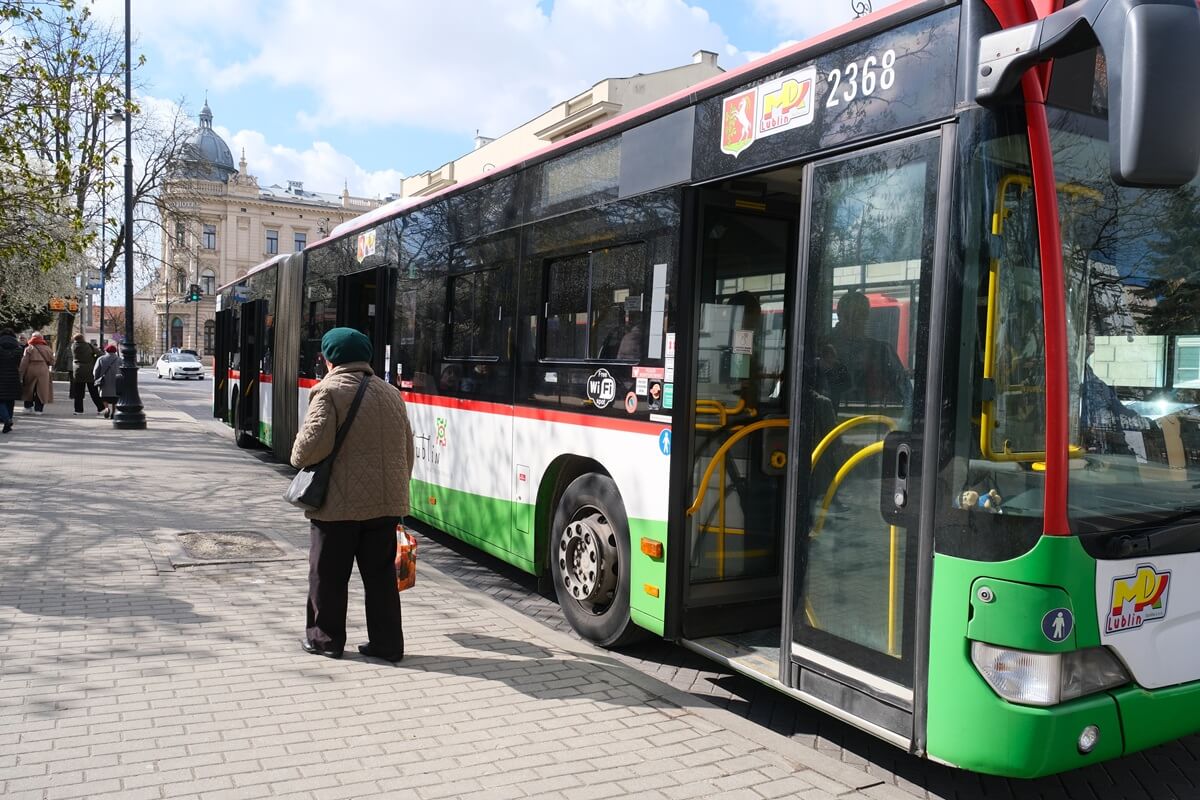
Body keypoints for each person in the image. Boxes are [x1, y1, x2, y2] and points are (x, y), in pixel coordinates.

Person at [291, 327, 414, 662]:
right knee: (380, 580)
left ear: (329, 358)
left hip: (337, 508)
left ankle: (325, 641)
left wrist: (297, 451)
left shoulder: (328, 391)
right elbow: (407, 451)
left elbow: (307, 451)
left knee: (328, 577)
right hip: (385, 507)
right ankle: (388, 646)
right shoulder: (391, 394)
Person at [824, 290, 910, 410]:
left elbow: (905, 395)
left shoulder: (883, 351)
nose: (855, 321)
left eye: (861, 315)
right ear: (840, 315)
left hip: (873, 418)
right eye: (850, 315)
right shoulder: (823, 348)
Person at [18, 332, 54, 413]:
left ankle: (28, 407)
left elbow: (24, 362)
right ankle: (39, 409)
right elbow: (52, 361)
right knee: (41, 389)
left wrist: (21, 373)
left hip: (31, 369)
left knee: (29, 388)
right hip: (43, 370)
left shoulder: (29, 348)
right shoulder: (47, 348)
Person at [69, 334, 105, 416]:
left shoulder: (73, 346)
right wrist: (94, 357)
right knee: (93, 391)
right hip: (89, 370)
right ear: (83, 338)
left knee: (78, 392)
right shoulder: (88, 346)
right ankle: (101, 408)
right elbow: (100, 354)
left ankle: (78, 410)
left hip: (77, 371)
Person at [0, 329, 22, 433]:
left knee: (1, 400)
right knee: (10, 400)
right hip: (14, 377)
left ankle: (6, 419)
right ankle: (7, 424)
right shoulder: (18, 348)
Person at [93, 344, 121, 419]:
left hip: (104, 382)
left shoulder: (101, 359)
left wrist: (96, 378)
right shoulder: (119, 360)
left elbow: (96, 371)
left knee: (104, 397)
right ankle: (114, 412)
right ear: (115, 351)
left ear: (106, 350)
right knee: (115, 398)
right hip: (116, 382)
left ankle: (106, 408)